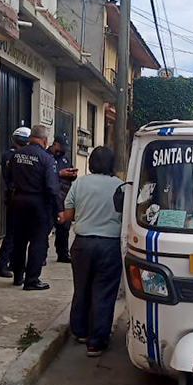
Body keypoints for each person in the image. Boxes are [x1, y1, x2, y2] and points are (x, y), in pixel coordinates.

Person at [58, 146, 124, 356]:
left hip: (82, 244)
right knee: (103, 293)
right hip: (109, 245)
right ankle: (96, 342)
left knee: (82, 287)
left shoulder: (79, 183)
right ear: (111, 164)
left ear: (91, 163)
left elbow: (68, 215)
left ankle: (80, 331)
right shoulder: (120, 187)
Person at [8, 124, 60, 291]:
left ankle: (17, 276)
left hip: (18, 201)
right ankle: (31, 280)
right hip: (39, 204)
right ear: (44, 141)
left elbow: (8, 177)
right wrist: (59, 209)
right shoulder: (46, 159)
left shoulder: (16, 155)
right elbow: (52, 187)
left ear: (30, 138)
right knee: (38, 241)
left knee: (19, 241)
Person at [0, 126, 31, 278]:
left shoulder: (10, 155)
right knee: (12, 234)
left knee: (15, 233)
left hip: (13, 197)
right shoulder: (13, 156)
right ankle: (1, 264)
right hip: (15, 198)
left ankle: (9, 262)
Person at [49, 135, 78, 263]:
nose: (63, 150)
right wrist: (59, 174)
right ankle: (41, 256)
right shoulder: (47, 157)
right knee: (45, 227)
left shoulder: (64, 159)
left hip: (63, 198)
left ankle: (63, 254)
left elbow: (69, 176)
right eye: (61, 146)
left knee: (64, 227)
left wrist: (72, 175)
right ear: (54, 144)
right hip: (49, 198)